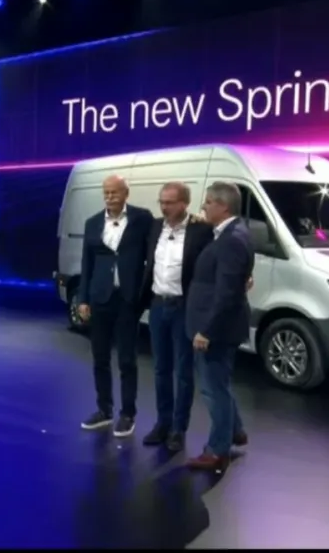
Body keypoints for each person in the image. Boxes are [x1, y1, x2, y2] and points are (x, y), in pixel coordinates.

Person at [77, 175, 154, 437]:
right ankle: (104, 410)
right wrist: (83, 299)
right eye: (106, 192)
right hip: (100, 298)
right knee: (100, 357)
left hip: (127, 299)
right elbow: (86, 263)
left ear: (126, 194)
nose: (110, 197)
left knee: (127, 360)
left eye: (115, 192)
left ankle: (128, 413)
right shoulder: (92, 223)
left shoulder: (142, 219)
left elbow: (159, 241)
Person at [139, 182, 214, 453]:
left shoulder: (201, 230)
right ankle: (163, 423)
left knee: (183, 371)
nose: (163, 207)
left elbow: (218, 259)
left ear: (184, 204)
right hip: (159, 305)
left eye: (169, 202)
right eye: (161, 201)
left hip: (184, 308)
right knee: (161, 368)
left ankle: (179, 429)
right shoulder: (154, 227)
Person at [185, 182, 253, 471]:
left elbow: (226, 293)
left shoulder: (231, 240)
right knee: (220, 384)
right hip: (221, 325)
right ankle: (235, 431)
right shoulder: (234, 232)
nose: (203, 206)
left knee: (213, 390)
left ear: (223, 206)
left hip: (217, 330)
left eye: (209, 202)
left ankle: (217, 450)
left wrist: (207, 330)